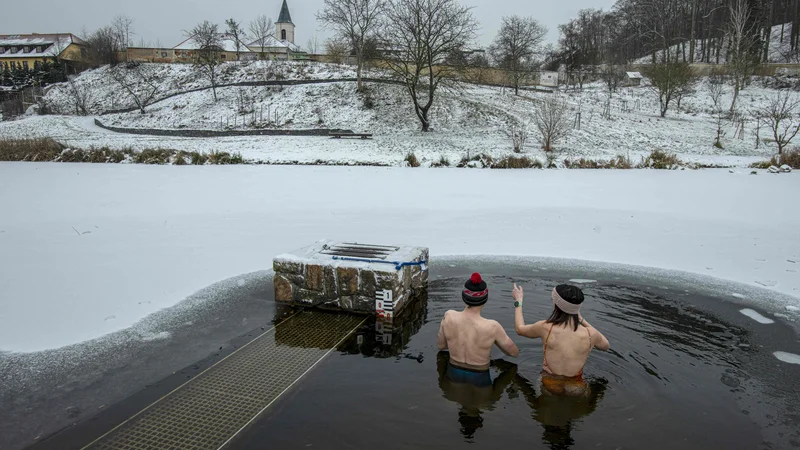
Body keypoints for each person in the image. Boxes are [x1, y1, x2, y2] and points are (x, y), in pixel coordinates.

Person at [511, 283, 610, 396]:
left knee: (538, 405)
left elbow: (520, 329)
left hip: (549, 382)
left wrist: (518, 301)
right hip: (577, 386)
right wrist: (581, 319)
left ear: (556, 305)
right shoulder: (591, 333)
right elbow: (606, 346)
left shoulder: (546, 327)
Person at [437, 273, 519, 386]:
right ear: (485, 299)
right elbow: (513, 353)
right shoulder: (493, 327)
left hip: (453, 376)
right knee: (491, 398)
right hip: (481, 380)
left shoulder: (448, 317)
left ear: (463, 297)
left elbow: (441, 346)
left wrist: (457, 341)